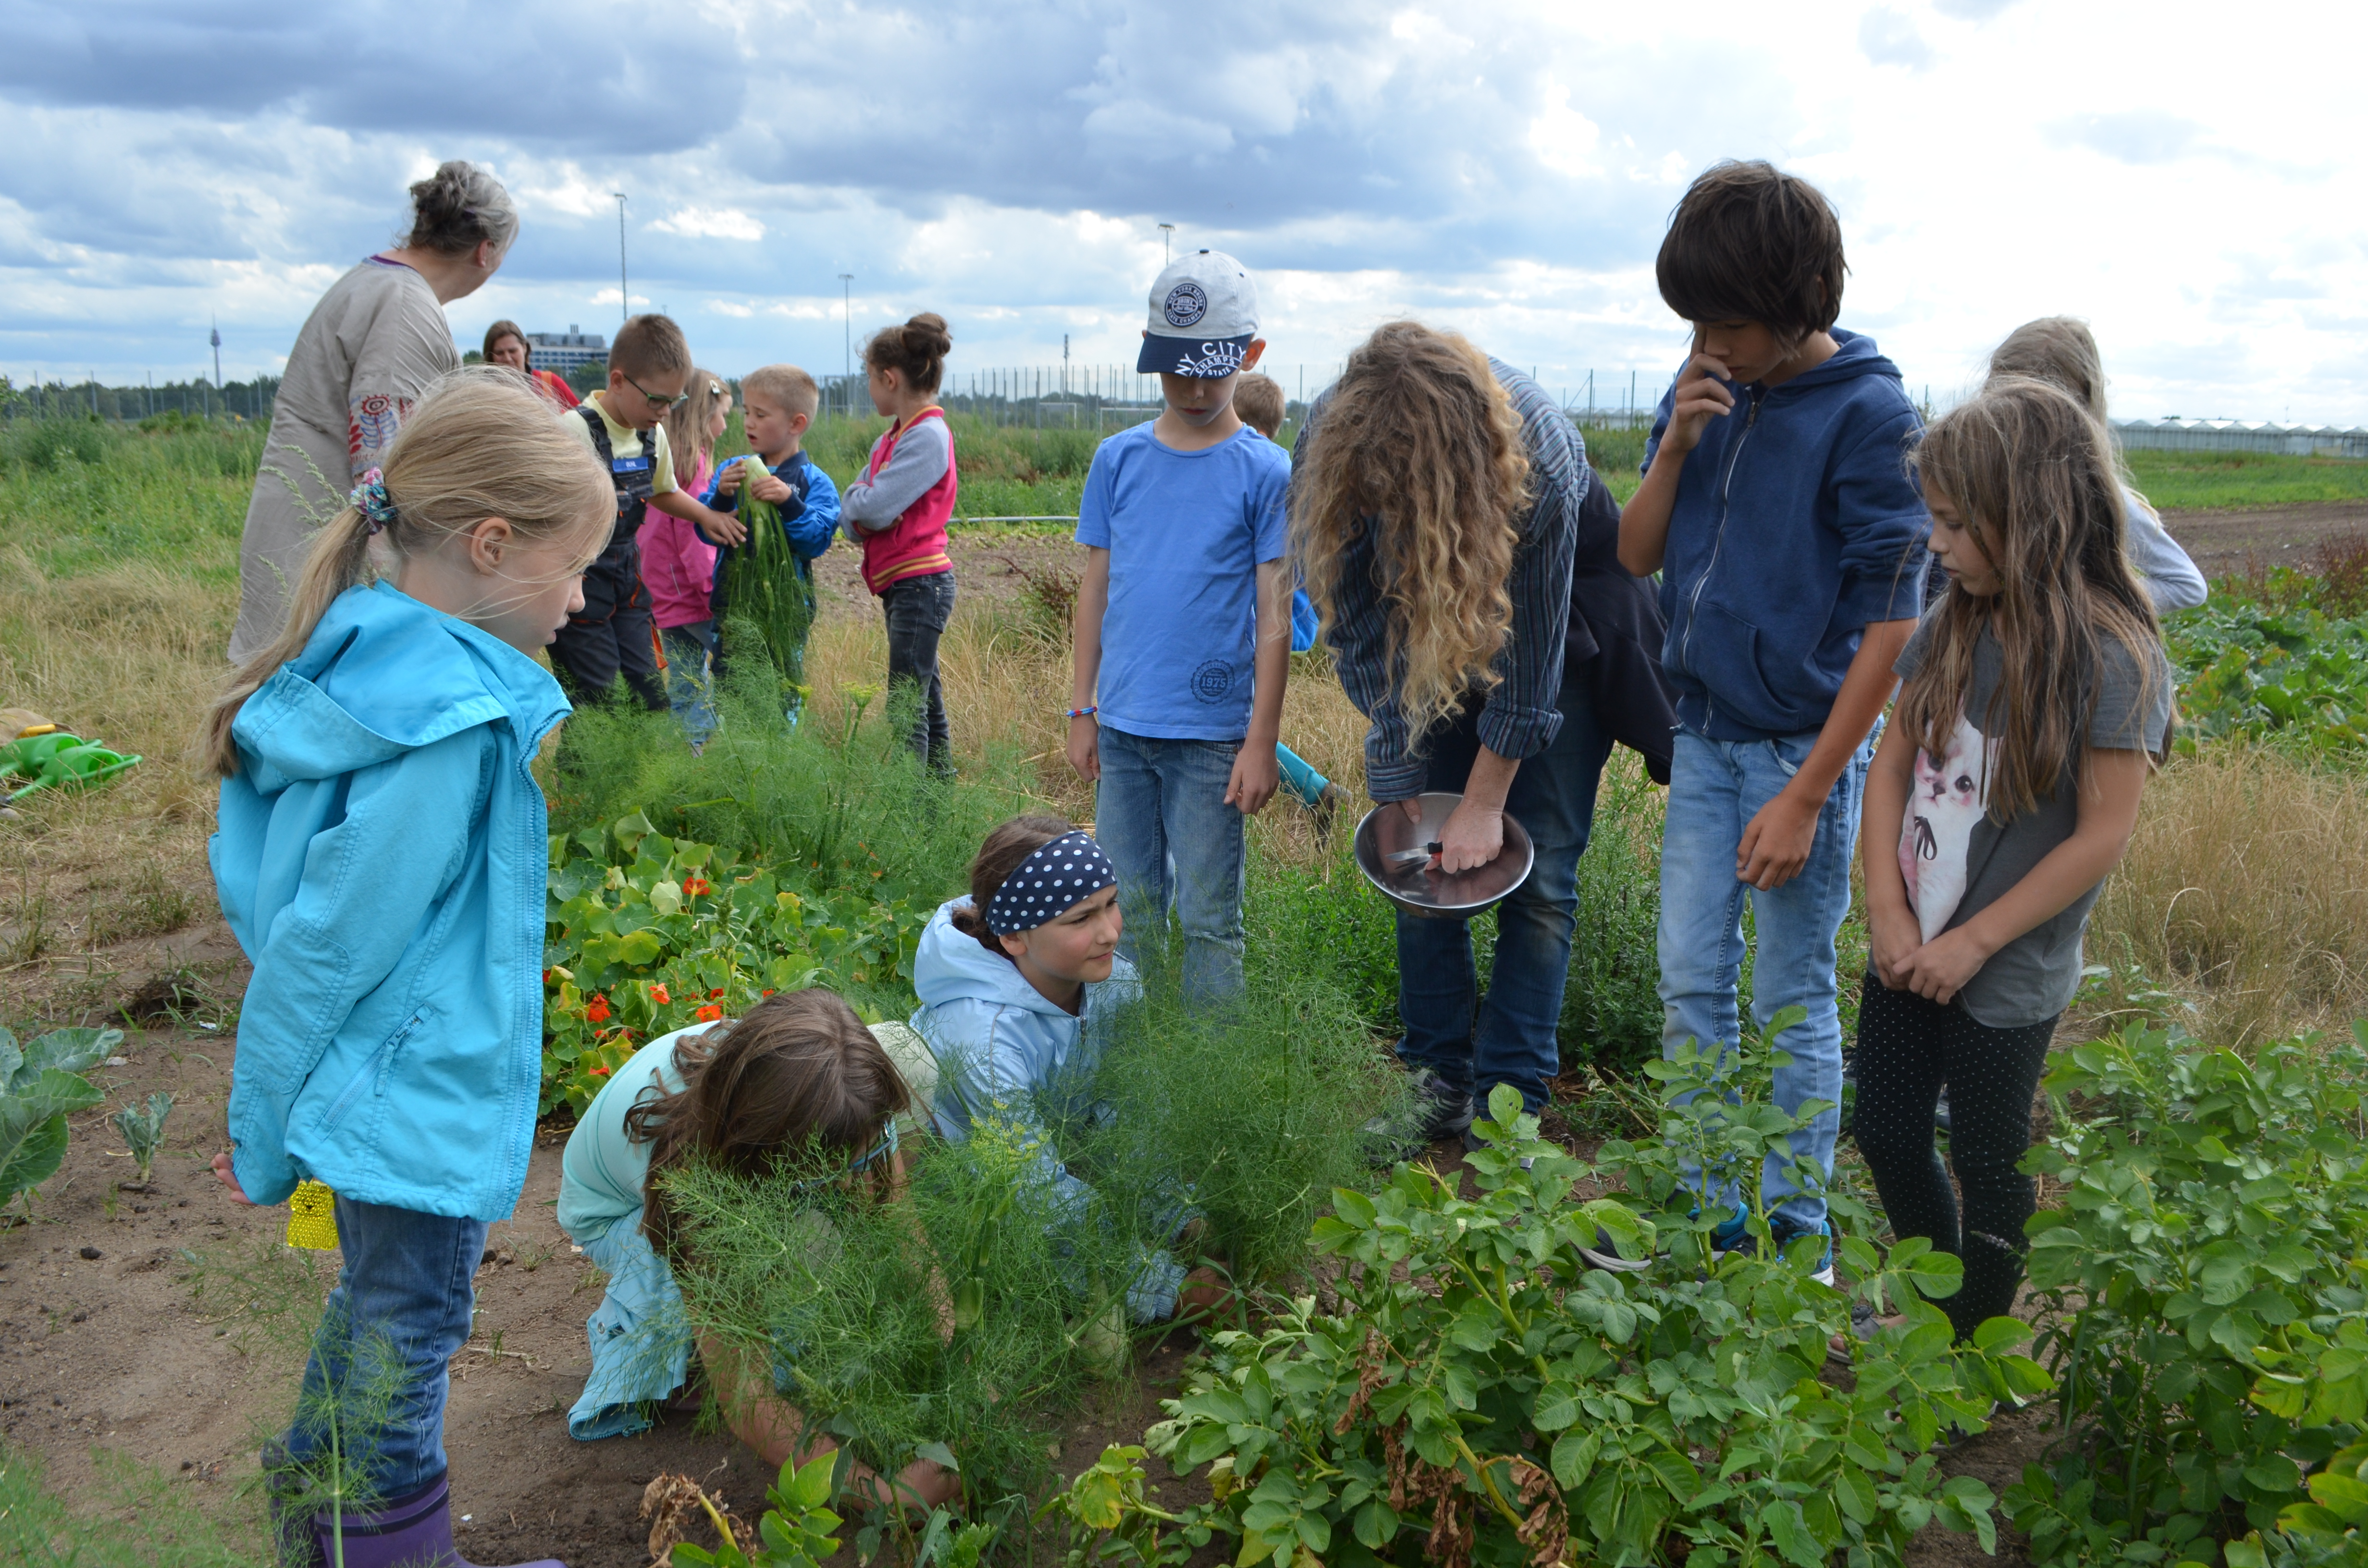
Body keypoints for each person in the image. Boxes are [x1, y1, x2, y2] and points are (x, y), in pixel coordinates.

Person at [204, 371, 613, 1568]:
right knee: (414, 1319)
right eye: (574, 566)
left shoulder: (366, 661)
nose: (586, 599)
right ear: (490, 545)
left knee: (376, 1310)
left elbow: (279, 896)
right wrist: (264, 1125)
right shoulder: (450, 731)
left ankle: (324, 1539)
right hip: (408, 1089)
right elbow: (330, 946)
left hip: (371, 1076)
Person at [1615, 160, 1932, 1273]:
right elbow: (1637, 552)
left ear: (1804, 298)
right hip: (1703, 734)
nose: (1713, 340)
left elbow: (1892, 625)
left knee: (1792, 991)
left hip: (1806, 749)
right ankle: (1712, 1218)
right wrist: (1678, 446)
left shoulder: (1872, 416)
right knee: (1690, 980)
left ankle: (1800, 1234)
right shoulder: (1702, 385)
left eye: (1732, 321)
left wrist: (1808, 795)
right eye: (1696, 319)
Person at [1295, 321, 1677, 1155]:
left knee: (1538, 878)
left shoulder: (1534, 452)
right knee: (1416, 862)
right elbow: (1357, 622)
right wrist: (1394, 763)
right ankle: (1435, 1081)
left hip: (1560, 634)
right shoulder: (1329, 438)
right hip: (1419, 627)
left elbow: (1535, 652)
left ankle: (1511, 1104)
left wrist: (1485, 796)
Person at [1850, 380, 2171, 1345]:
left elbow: (2101, 834)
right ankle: (1939, 1307)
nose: (1935, 542)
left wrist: (1973, 942)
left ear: (2025, 518)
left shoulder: (2113, 659)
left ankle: (1976, 1351)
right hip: (1911, 944)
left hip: (2007, 967)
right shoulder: (1954, 619)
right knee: (1888, 1133)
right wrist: (1888, 912)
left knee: (1988, 1163)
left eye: (1954, 522)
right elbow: (1891, 764)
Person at [556, 989, 957, 1508]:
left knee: (821, 1246)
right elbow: (745, 1392)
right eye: (834, 1164)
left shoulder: (843, 1091)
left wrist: (957, 1370)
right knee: (786, 1271)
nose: (861, 1167)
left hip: (760, 1163)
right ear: (766, 1153)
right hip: (617, 1215)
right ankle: (664, 1363)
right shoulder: (692, 1181)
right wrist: (882, 1494)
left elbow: (909, 1239)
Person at [1066, 252, 1291, 1004]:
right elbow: (1095, 589)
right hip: (1124, 728)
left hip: (1211, 740)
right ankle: (1138, 1050)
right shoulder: (1117, 460)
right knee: (1127, 912)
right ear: (1148, 351)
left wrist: (1260, 742)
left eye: (1214, 371)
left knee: (1207, 918)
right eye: (1174, 370)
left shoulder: (1265, 472)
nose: (1194, 389)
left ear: (1250, 356)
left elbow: (1274, 617)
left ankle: (1214, 1078)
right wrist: (1082, 708)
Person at [912, 816, 1230, 1323]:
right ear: (1015, 939)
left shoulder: (1112, 984)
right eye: (1080, 919)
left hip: (1053, 1150)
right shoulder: (983, 1040)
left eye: (1111, 904)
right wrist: (1162, 1286)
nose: (1109, 932)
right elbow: (1030, 1193)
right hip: (970, 1192)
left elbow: (1131, 1111)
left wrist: (1178, 1217)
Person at [231, 160, 515, 663]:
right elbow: (384, 473)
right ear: (486, 251)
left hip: (303, 543)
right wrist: (405, 601)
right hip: (326, 562)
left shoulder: (373, 282)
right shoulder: (405, 308)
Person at [555, 314, 745, 711]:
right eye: (656, 399)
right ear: (619, 381)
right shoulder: (573, 432)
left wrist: (706, 516)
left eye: (673, 402)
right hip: (580, 580)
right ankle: (585, 773)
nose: (664, 412)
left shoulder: (652, 434)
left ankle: (637, 770)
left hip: (629, 577)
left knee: (647, 691)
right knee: (598, 695)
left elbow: (663, 490)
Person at [1986, 317, 2208, 614]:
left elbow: (2187, 585)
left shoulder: (2095, 493)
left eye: (2034, 415)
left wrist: (2081, 609)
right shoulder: (1972, 478)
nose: (2015, 428)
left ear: (2076, 409)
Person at [841, 314, 960, 771]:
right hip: (904, 586)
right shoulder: (890, 440)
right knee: (923, 700)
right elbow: (853, 517)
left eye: (870, 379)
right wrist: (862, 507)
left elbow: (867, 509)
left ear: (889, 378)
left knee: (907, 707)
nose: (870, 388)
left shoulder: (928, 436)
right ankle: (934, 803)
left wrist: (862, 507)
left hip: (921, 585)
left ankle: (915, 810)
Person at [1230, 370, 1346, 835]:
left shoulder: (1269, 472)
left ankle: (1318, 793)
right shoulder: (1283, 467)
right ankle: (1317, 793)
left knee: (1228, 724)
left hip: (1260, 620)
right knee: (1232, 722)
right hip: (1269, 619)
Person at [711, 363, 842, 717]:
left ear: (796, 424)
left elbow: (816, 540)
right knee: (730, 689)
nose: (749, 423)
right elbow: (706, 531)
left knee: (783, 686)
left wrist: (789, 502)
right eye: (746, 413)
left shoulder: (814, 482)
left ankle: (781, 746)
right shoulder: (732, 470)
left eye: (761, 414)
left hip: (788, 611)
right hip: (733, 607)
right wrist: (722, 499)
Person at [638, 370, 733, 748]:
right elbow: (695, 542)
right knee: (737, 674)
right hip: (694, 596)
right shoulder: (694, 466)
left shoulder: (663, 461)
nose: (725, 424)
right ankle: (716, 754)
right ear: (702, 415)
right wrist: (714, 590)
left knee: (686, 682)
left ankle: (684, 763)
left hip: (663, 595)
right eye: (722, 414)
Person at [482, 320, 580, 409]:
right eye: (500, 353)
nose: (508, 358)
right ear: (491, 356)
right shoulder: (483, 394)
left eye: (512, 351)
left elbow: (584, 421)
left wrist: (559, 414)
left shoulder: (550, 383)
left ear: (524, 348)